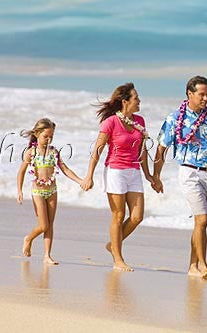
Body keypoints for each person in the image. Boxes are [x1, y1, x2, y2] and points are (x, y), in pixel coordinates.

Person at [80, 83, 154, 272]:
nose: (139, 101)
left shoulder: (140, 121)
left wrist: (149, 175)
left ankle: (112, 244)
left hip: (134, 171)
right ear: (125, 101)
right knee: (118, 215)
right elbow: (97, 150)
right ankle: (118, 258)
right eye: (136, 98)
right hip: (115, 171)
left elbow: (142, 151)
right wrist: (89, 176)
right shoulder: (111, 122)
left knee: (137, 217)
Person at [153, 75, 207, 279]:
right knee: (202, 219)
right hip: (189, 172)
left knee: (201, 222)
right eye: (202, 94)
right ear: (190, 94)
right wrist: (156, 175)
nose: (206, 98)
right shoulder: (175, 118)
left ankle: (192, 266)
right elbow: (162, 148)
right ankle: (204, 264)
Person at [17, 118, 83, 265]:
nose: (48, 139)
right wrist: (19, 191)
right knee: (43, 225)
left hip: (52, 190)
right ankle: (28, 238)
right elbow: (21, 172)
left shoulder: (54, 152)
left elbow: (65, 169)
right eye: (45, 136)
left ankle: (47, 255)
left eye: (51, 137)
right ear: (37, 134)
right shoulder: (31, 152)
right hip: (38, 192)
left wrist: (80, 181)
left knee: (50, 225)